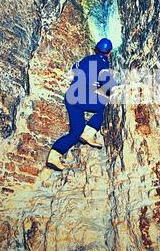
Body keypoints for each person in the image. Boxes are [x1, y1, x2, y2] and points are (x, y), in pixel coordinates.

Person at [46, 38, 116, 171]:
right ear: (109, 53)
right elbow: (107, 84)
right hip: (80, 96)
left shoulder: (85, 59)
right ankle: (89, 133)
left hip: (71, 97)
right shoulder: (103, 62)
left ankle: (54, 157)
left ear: (96, 49)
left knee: (75, 132)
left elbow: (73, 70)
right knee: (104, 105)